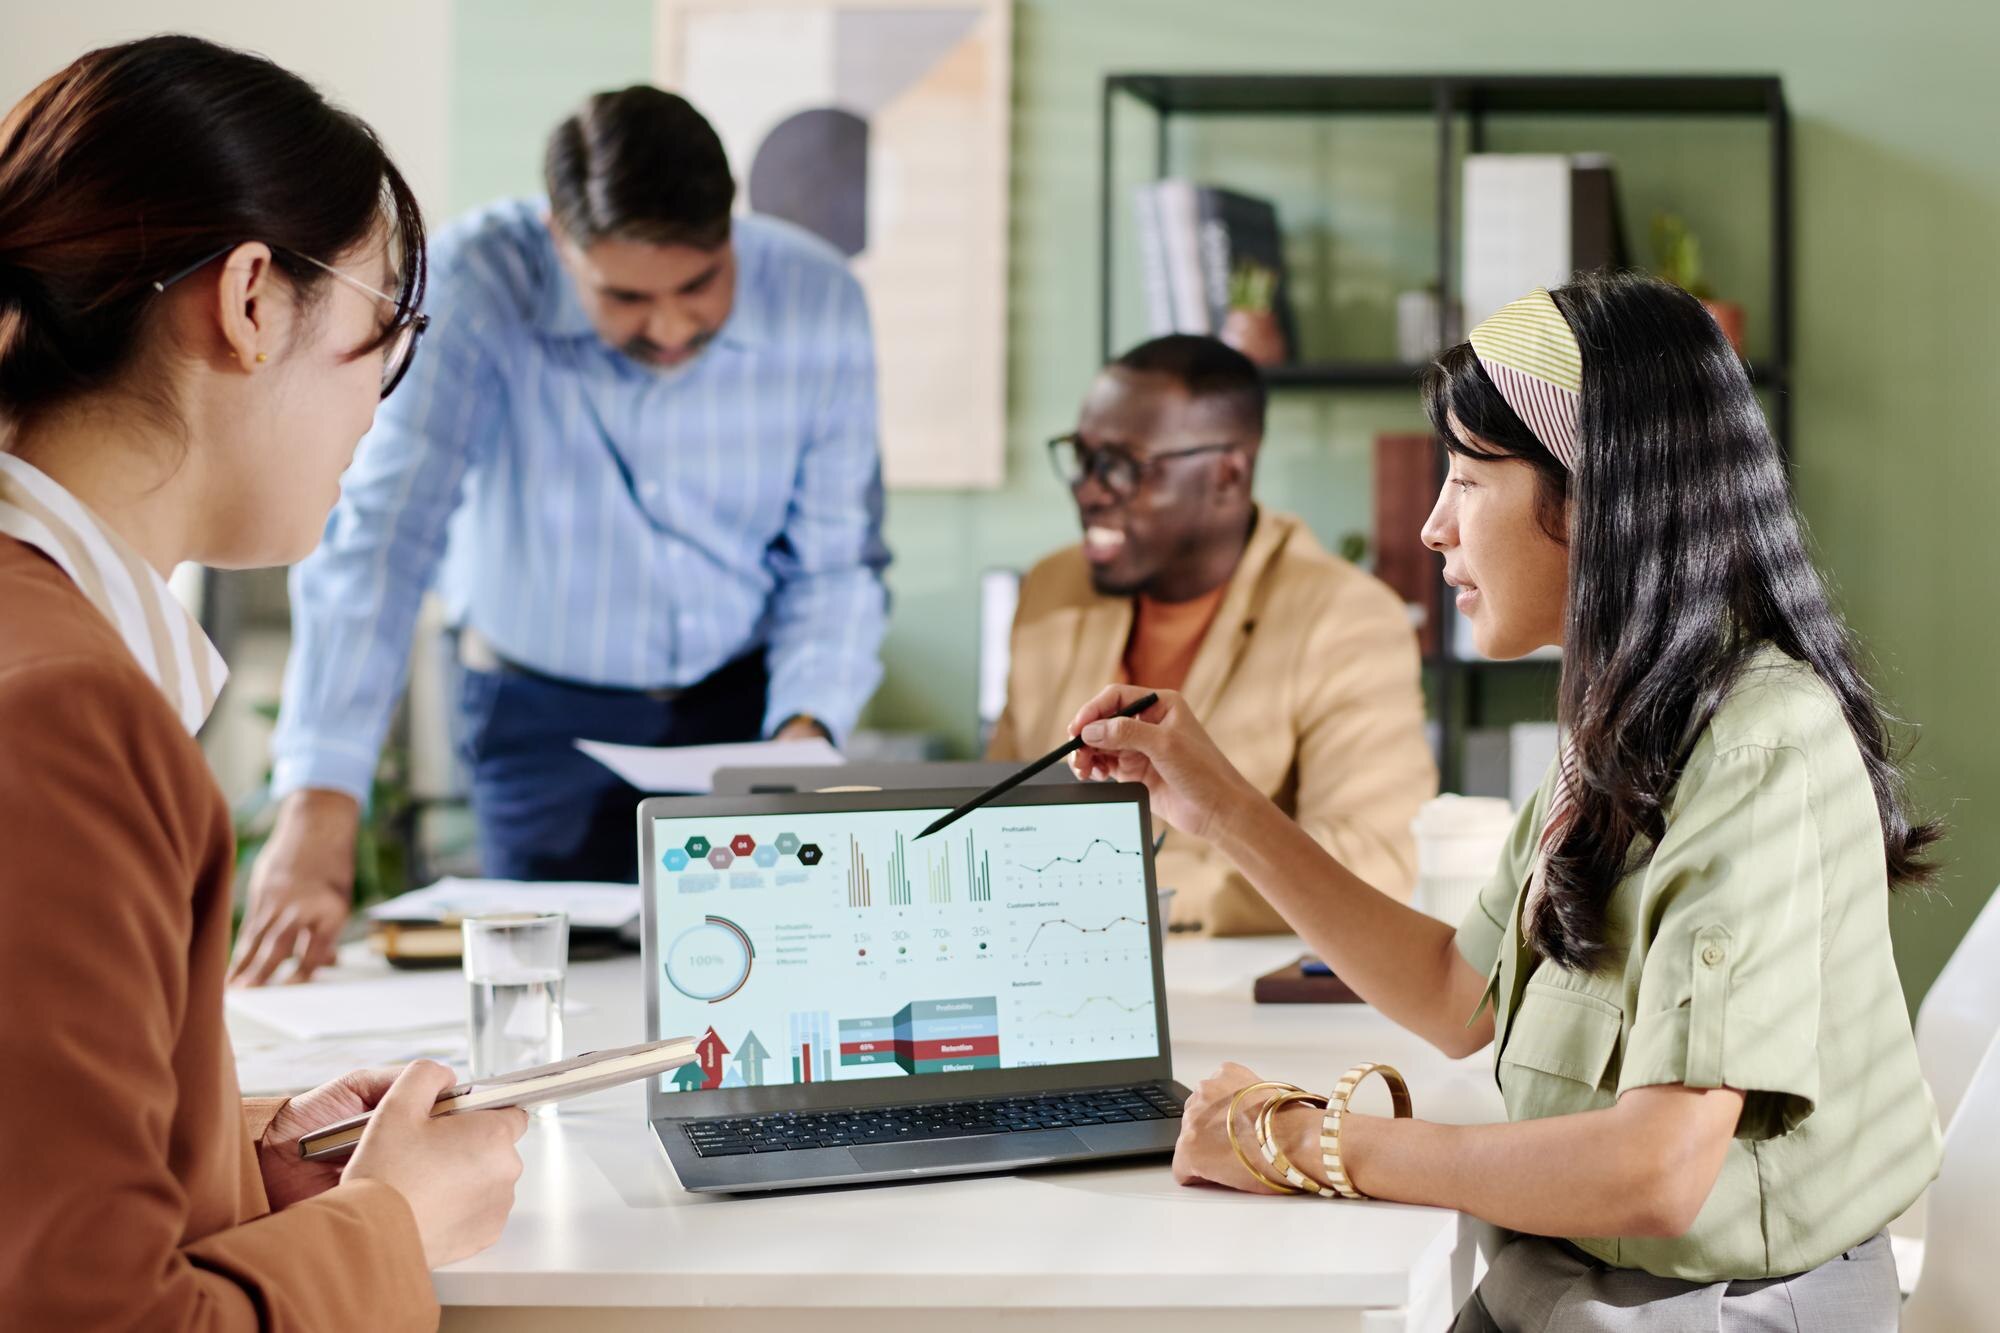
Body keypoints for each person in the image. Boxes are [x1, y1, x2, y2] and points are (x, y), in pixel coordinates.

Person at [1068, 275, 1941, 1327]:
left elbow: (1657, 1172)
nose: (1433, 526)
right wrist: (1222, 809)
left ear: (1596, 497)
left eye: (1469, 478)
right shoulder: (1625, 723)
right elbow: (1456, 992)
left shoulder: (1757, 746)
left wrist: (1305, 1141)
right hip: (1591, 1286)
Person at [0, 36, 526, 1328]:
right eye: (384, 328)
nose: (378, 405)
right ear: (248, 301)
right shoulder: (64, 710)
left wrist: (244, 1153)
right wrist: (393, 1221)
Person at [234, 86, 890, 984]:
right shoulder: (473, 282)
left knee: (757, 982)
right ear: (558, 237)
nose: (669, 326)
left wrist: (806, 734)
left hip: (745, 717)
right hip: (539, 723)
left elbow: (837, 562)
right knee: (547, 997)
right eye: (625, 295)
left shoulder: (820, 298)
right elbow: (385, 540)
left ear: (730, 230)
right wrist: (321, 795)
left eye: (699, 284)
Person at [989, 334, 1435, 933]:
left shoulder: (1347, 616)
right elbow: (998, 812)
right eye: (1082, 457)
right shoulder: (1052, 588)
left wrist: (1120, 885)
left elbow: (1371, 860)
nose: (1087, 489)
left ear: (1227, 473)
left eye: (1121, 466)